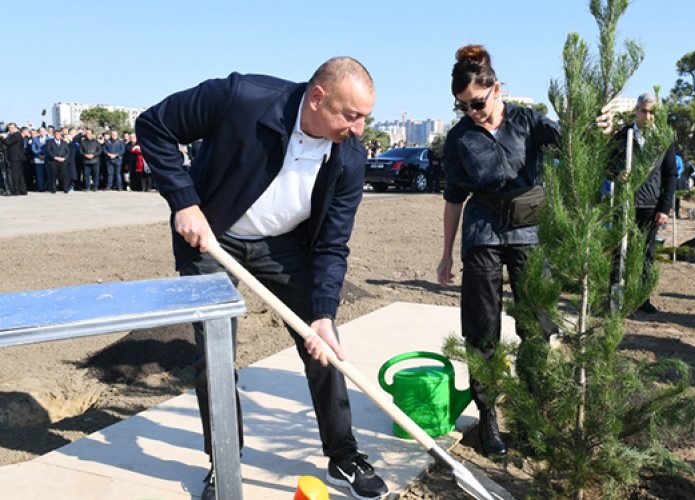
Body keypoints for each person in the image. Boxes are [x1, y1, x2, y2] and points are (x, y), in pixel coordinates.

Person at [135, 57, 388, 500]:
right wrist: (183, 201)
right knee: (214, 359)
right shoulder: (241, 98)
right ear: (317, 98)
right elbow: (154, 125)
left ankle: (344, 454)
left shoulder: (348, 156)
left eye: (365, 117)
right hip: (213, 237)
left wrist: (324, 313)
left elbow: (331, 244)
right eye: (351, 115)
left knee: (324, 346)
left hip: (285, 247)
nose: (360, 129)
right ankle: (225, 463)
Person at [436, 44, 560, 458]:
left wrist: (592, 122)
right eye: (463, 108)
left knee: (537, 325)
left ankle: (532, 413)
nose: (472, 113)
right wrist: (446, 254)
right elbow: (454, 198)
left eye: (477, 103)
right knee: (482, 329)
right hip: (483, 232)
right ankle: (488, 418)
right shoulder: (459, 139)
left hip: (529, 231)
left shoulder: (527, 121)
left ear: (496, 88)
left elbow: (572, 141)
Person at [607, 93, 678, 314]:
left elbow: (671, 175)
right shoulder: (622, 137)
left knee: (645, 253)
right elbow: (606, 165)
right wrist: (617, 175)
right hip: (624, 204)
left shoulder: (663, 140)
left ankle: (641, 298)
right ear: (636, 111)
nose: (647, 116)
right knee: (620, 252)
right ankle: (615, 298)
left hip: (650, 206)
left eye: (651, 112)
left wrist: (665, 208)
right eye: (643, 111)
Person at [0, 123, 28, 196]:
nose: (10, 129)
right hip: (16, 157)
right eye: (9, 128)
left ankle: (16, 191)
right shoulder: (15, 135)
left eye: (11, 128)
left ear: (15, 128)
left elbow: (7, 142)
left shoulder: (17, 135)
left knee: (15, 175)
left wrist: (1, 137)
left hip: (15, 158)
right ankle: (23, 190)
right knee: (19, 174)